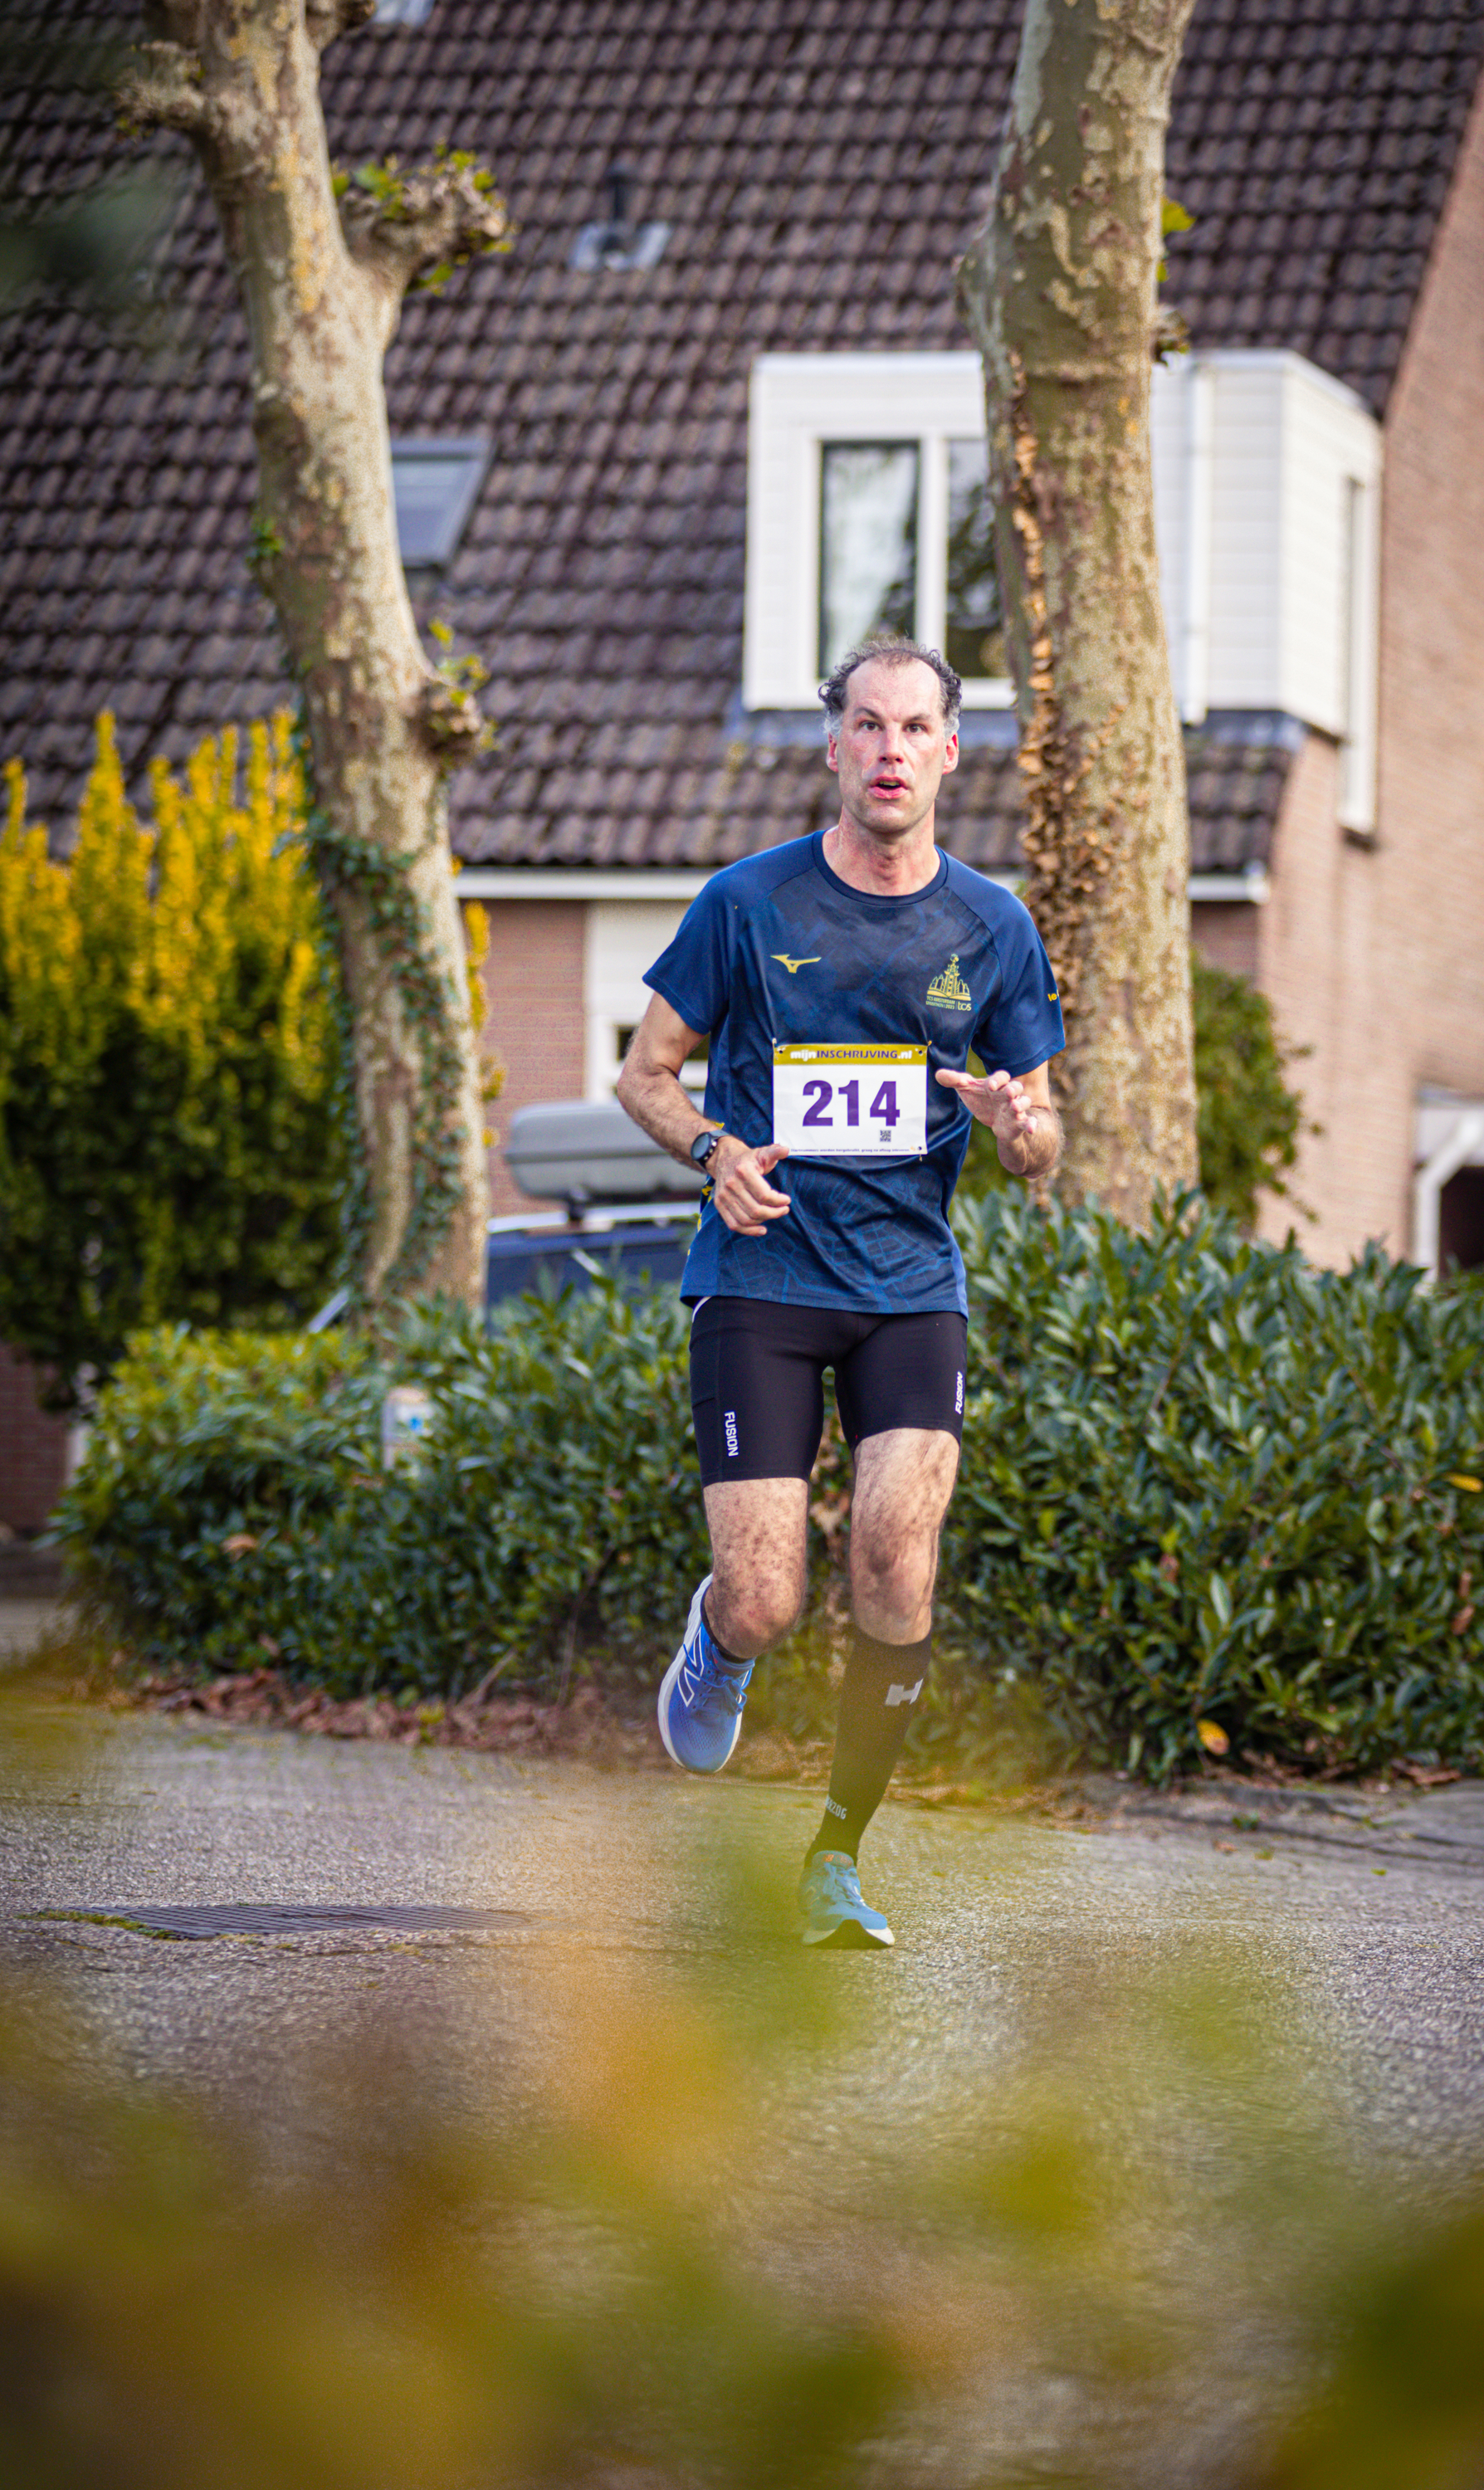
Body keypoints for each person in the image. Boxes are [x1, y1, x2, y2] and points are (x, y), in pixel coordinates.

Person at [615, 633, 1063, 1948]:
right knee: (769, 1596)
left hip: (912, 1286)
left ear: (949, 751)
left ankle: (835, 1858)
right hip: (761, 1274)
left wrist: (1008, 1119)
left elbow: (1043, 1149)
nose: (887, 751)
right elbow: (647, 1072)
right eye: (864, 727)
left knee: (897, 1567)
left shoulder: (994, 926)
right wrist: (711, 1153)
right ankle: (720, 1641)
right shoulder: (747, 904)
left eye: (911, 728)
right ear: (832, 747)